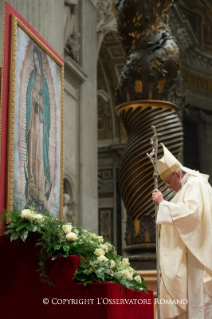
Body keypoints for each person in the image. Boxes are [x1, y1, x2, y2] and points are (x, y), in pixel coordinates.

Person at [151, 143, 212, 319]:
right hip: (191, 253)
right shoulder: (188, 185)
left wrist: (163, 204)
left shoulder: (195, 184)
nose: (168, 188)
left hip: (197, 256)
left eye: (168, 183)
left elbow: (192, 213)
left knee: (197, 301)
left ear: (178, 174)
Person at [25, 46, 52, 211]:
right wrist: (31, 99)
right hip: (32, 120)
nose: (35, 63)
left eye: (37, 60)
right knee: (32, 151)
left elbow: (47, 106)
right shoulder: (32, 78)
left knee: (40, 154)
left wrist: (40, 101)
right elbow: (28, 94)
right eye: (33, 60)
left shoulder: (44, 83)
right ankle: (32, 184)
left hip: (40, 122)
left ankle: (41, 186)